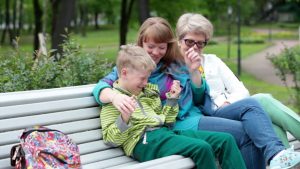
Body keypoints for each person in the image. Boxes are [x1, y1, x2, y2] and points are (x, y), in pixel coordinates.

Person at [92, 16, 296, 169]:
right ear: (141, 44)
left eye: (161, 47)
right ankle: (275, 155)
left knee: (255, 104)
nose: (155, 52)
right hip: (177, 123)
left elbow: (199, 98)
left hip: (194, 115)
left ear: (168, 46)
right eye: (150, 46)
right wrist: (115, 96)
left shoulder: (176, 64)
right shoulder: (134, 68)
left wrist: (192, 72)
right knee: (245, 131)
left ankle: (277, 154)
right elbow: (102, 87)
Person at [175, 13, 300, 169]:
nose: (195, 47)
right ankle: (278, 154)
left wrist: (227, 103)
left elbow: (241, 90)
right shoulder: (174, 67)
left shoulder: (213, 60)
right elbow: (192, 102)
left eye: (201, 43)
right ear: (179, 40)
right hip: (209, 116)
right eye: (189, 42)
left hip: (232, 109)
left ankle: (280, 157)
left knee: (266, 112)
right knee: (260, 101)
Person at [101, 44, 246, 169]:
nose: (145, 82)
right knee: (202, 148)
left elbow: (168, 121)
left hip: (164, 134)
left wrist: (172, 100)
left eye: (147, 78)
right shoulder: (114, 102)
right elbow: (111, 139)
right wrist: (124, 119)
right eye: (142, 78)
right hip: (143, 141)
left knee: (226, 140)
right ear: (124, 73)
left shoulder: (146, 93)